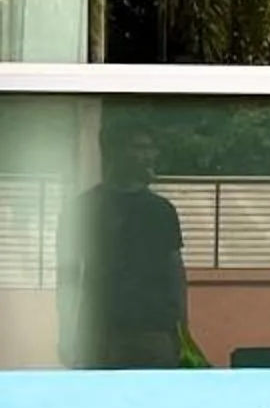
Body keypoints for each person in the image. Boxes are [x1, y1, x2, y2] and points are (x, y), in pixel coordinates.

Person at [56, 123, 189, 368]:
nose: (149, 155)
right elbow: (68, 274)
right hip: (102, 335)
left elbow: (176, 275)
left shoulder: (162, 210)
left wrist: (184, 333)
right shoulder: (83, 208)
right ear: (113, 152)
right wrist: (66, 332)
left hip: (155, 333)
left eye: (151, 148)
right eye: (139, 148)